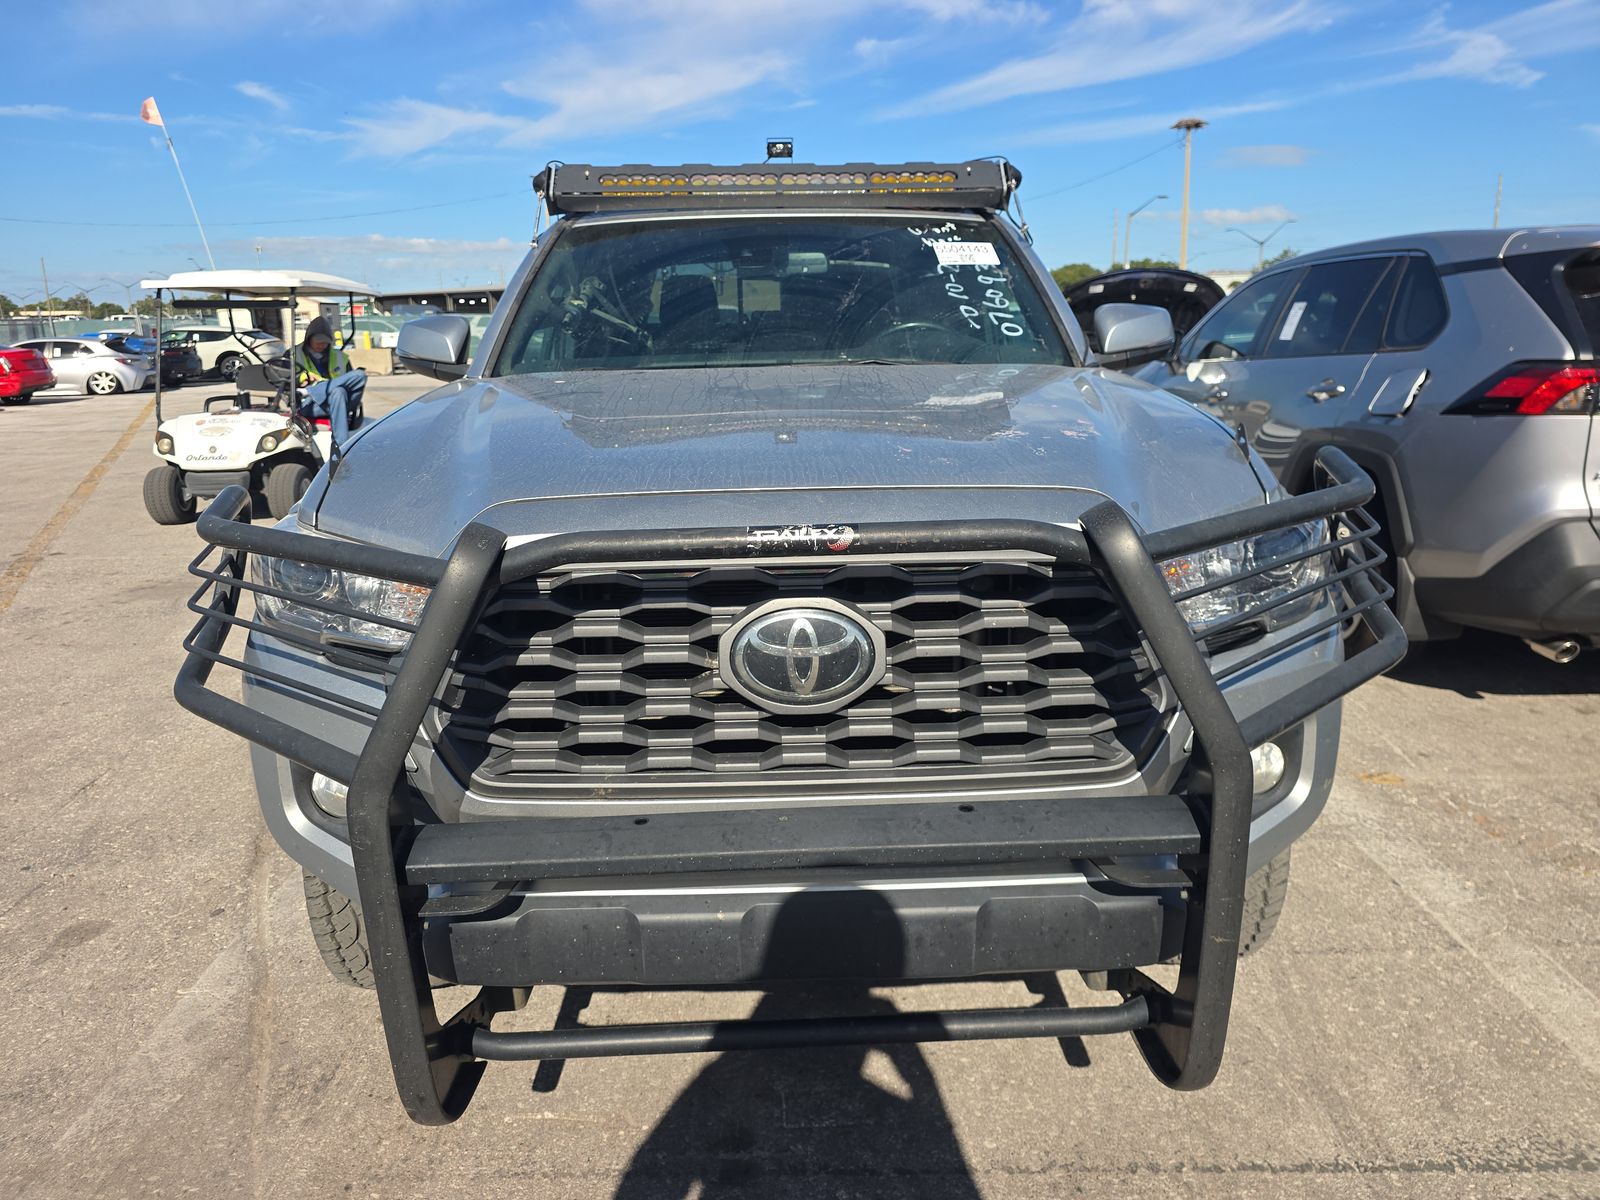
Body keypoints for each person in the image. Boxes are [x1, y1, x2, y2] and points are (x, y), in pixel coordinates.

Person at [293, 315, 365, 449]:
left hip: (338, 402)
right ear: (309, 339)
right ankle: (342, 445)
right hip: (308, 404)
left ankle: (339, 447)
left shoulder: (340, 357)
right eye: (318, 341)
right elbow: (283, 378)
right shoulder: (293, 354)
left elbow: (351, 383)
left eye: (325, 341)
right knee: (339, 391)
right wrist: (302, 378)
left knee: (358, 377)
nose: (322, 345)